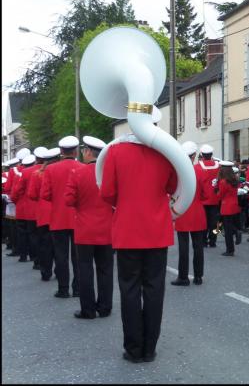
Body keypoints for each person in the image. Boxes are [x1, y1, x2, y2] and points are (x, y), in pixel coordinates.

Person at [100, 127, 177, 363]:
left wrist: (124, 205)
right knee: (155, 290)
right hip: (156, 231)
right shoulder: (166, 151)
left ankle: (133, 349)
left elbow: (107, 192)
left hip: (128, 230)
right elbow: (173, 187)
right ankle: (149, 348)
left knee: (129, 289)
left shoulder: (115, 151)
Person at [64, 136, 114, 319]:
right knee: (106, 269)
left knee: (84, 269)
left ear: (87, 152)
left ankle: (88, 309)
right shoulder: (109, 173)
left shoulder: (78, 173)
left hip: (84, 230)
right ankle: (105, 307)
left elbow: (68, 200)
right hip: (107, 229)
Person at [41, 136, 83, 298]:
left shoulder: (50, 170)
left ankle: (63, 288)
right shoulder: (82, 167)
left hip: (58, 218)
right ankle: (78, 288)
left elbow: (45, 195)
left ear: (60, 152)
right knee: (78, 256)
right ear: (75, 151)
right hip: (77, 218)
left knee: (61, 255)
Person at [172, 141, 207, 286]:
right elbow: (206, 194)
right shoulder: (200, 170)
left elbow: (172, 192)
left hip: (182, 211)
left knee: (183, 247)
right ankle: (198, 276)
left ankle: (183, 277)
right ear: (194, 156)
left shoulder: (177, 171)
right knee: (198, 246)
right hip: (198, 212)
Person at [29, 147, 59, 281]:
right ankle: (60, 272)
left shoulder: (37, 173)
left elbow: (32, 194)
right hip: (59, 213)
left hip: (43, 213)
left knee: (44, 245)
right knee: (60, 246)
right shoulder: (63, 170)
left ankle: (45, 272)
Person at [11, 153, 38, 264]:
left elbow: (15, 192)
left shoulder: (20, 173)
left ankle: (23, 255)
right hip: (37, 208)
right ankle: (34, 256)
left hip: (23, 208)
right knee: (35, 235)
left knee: (22, 233)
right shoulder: (41, 170)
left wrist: (15, 200)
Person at [214, 161, 241, 256]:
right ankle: (236, 231)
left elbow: (220, 196)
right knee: (229, 225)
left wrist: (215, 190)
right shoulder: (234, 179)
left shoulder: (223, 182)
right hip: (234, 205)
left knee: (227, 230)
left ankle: (230, 250)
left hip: (226, 206)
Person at [197, 144, 221, 248]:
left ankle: (203, 240)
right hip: (216, 199)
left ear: (202, 155)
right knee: (215, 222)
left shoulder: (197, 166)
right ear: (211, 154)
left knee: (203, 221)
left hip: (202, 199)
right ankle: (213, 241)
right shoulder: (219, 166)